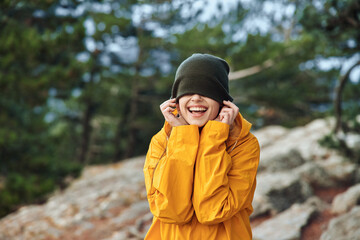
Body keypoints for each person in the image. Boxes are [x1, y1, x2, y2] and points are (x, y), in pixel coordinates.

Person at [143, 53, 260, 240]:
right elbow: (171, 211)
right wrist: (181, 136)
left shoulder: (243, 143)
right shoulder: (161, 142)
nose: (196, 98)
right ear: (176, 101)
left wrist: (214, 136)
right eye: (187, 91)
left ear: (223, 101)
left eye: (207, 91)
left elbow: (213, 211)